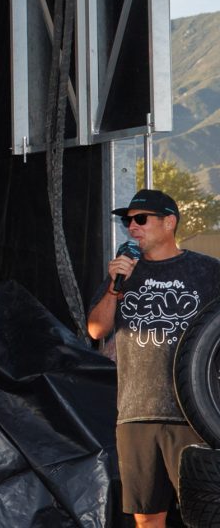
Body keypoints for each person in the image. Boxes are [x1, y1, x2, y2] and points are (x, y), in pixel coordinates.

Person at [87, 189, 220, 528]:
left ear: (169, 222)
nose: (132, 227)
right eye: (127, 220)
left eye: (141, 219)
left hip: (194, 416)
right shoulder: (123, 273)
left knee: (205, 516)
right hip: (136, 414)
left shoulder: (207, 271)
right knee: (147, 518)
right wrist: (115, 287)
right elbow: (96, 329)